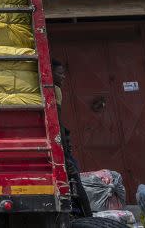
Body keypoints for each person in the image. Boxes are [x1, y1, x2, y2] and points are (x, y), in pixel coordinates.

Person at [52, 59, 93, 217]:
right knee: (75, 179)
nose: (63, 77)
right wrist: (63, 150)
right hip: (61, 144)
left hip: (61, 143)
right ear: (50, 72)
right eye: (60, 73)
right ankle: (88, 218)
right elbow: (57, 121)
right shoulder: (54, 90)